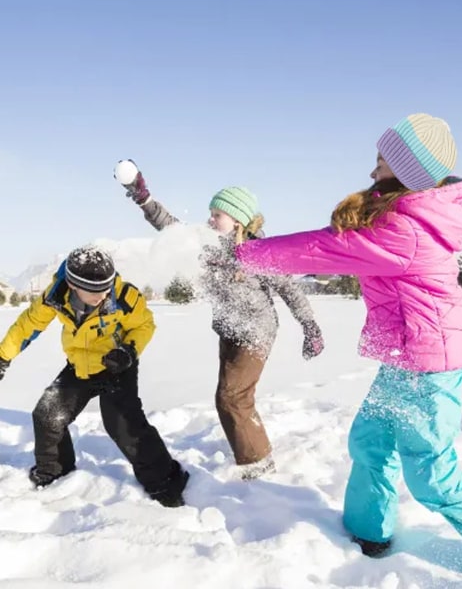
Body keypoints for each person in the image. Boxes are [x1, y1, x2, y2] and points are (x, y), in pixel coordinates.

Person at [231, 114, 462, 581]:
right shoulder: (405, 218)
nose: (372, 171)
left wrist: (250, 254)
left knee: (432, 477)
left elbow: (327, 249)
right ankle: (368, 531)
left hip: (428, 364)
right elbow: (340, 252)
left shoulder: (406, 230)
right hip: (407, 359)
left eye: (381, 162)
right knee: (370, 441)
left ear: (408, 173)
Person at [118, 168, 325, 480]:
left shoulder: (259, 252)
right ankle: (254, 454)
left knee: (231, 398)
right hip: (228, 329)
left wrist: (309, 325)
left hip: (256, 331)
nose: (211, 220)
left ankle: (259, 465)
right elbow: (170, 227)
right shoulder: (206, 244)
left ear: (238, 221)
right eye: (210, 213)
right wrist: (144, 199)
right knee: (232, 398)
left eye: (218, 215)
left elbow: (289, 289)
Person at [0, 246, 189, 507]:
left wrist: (128, 350)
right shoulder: (55, 297)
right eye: (94, 290)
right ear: (73, 285)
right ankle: (55, 472)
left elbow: (144, 324)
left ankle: (166, 479)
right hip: (80, 365)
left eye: (105, 288)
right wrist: (3, 356)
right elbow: (27, 325)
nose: (101, 295)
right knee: (47, 415)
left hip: (117, 364)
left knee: (122, 425)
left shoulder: (124, 295)